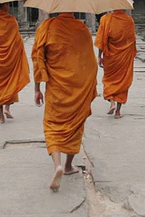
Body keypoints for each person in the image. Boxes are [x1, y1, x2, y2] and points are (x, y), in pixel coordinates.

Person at [32, 12, 98, 191]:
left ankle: (57, 165)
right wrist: (89, 87)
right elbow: (91, 63)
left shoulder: (46, 27)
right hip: (78, 89)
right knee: (75, 125)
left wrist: (37, 88)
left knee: (52, 125)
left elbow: (38, 59)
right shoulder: (82, 29)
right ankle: (68, 165)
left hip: (56, 88)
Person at [0, 2, 30, 123]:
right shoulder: (12, 20)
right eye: (7, 5)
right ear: (4, 6)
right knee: (11, 82)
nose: (8, 6)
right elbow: (17, 39)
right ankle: (7, 108)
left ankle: (1, 116)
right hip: (11, 59)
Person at [95, 9, 137, 119]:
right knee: (123, 82)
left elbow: (102, 40)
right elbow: (132, 39)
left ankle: (112, 101)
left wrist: (100, 56)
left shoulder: (106, 19)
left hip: (111, 57)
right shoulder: (129, 20)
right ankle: (118, 112)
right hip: (124, 56)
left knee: (109, 80)